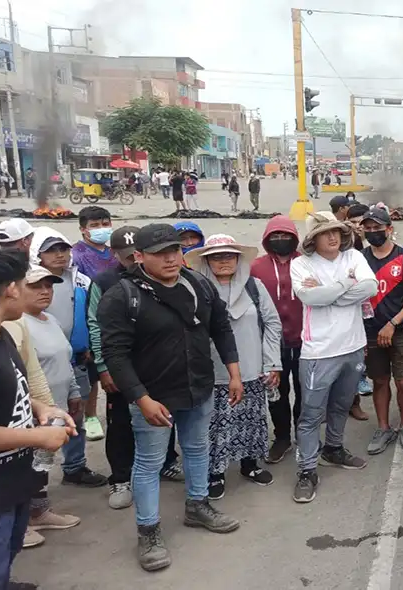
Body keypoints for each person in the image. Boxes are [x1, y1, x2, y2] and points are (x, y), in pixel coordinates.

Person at [97, 223, 243, 572]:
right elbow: (115, 354)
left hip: (198, 387)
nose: (171, 259)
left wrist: (234, 372)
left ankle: (198, 505)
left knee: (197, 448)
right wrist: (141, 398)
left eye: (175, 251)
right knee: (148, 463)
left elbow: (220, 328)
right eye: (161, 253)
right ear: (139, 257)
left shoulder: (198, 284)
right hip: (154, 396)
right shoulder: (123, 296)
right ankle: (148, 531)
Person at [0, 249, 76, 589]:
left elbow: (11, 388)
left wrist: (41, 408)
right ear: (12, 289)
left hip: (14, 476)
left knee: (10, 546)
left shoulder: (4, 335)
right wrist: (38, 438)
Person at [88, 226, 183, 509]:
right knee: (120, 423)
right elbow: (95, 325)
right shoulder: (105, 282)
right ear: (117, 255)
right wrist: (104, 368)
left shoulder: (164, 278)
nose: (134, 262)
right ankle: (120, 477)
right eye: (128, 258)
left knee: (164, 414)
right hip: (121, 367)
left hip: (156, 366)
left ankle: (166, 461)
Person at [289, 219, 378, 503]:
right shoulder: (302, 264)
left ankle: (334, 448)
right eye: (324, 233)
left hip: (353, 346)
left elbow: (371, 288)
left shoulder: (354, 256)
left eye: (337, 232)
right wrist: (346, 283)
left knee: (342, 404)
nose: (333, 237)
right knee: (311, 413)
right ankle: (307, 470)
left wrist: (331, 295)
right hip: (318, 352)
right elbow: (310, 298)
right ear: (313, 239)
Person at [187, 235, 282, 499]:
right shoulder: (196, 290)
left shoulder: (255, 287)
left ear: (238, 259)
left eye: (229, 255)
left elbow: (272, 324)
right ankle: (214, 473)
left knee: (252, 420)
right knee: (214, 424)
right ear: (206, 261)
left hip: (252, 368)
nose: (224, 261)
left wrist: (272, 362)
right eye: (216, 257)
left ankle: (250, 465)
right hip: (212, 372)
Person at [28, 228, 107, 488]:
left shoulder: (80, 281)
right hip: (39, 371)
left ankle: (74, 467)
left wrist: (87, 346)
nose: (60, 255)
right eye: (51, 250)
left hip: (74, 362)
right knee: (36, 431)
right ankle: (34, 492)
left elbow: (89, 316)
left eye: (63, 249)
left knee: (76, 418)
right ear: (37, 253)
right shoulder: (26, 284)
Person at [18, 266, 85, 532]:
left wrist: (74, 392)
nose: (45, 292)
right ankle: (22, 521)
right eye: (36, 286)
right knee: (24, 464)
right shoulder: (18, 324)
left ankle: (38, 512)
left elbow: (64, 359)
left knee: (42, 462)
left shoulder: (51, 320)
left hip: (56, 404)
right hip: (33, 407)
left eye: (49, 286)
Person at [360, 207, 403, 455]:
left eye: (378, 227)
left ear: (389, 229)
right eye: (369, 228)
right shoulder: (358, 259)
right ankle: (384, 427)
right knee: (379, 381)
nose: (373, 232)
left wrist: (393, 323)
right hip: (370, 332)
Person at [250, 216, 306, 464]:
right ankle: (282, 437)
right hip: (271, 344)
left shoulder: (306, 263)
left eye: (286, 236)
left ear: (295, 238)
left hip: (306, 341)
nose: (281, 240)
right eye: (275, 236)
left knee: (306, 392)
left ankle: (305, 435)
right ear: (266, 239)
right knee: (277, 394)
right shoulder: (255, 267)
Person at [72, 206, 119, 442]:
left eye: (105, 223)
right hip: (91, 317)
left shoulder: (114, 252)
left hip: (117, 319)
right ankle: (90, 416)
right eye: (94, 225)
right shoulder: (77, 256)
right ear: (83, 230)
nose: (101, 229)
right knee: (92, 376)